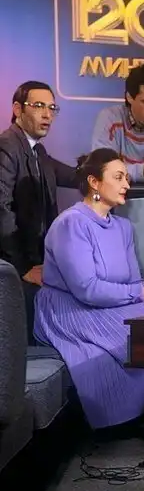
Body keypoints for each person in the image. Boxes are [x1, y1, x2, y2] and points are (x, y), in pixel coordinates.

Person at [34, 148, 144, 430]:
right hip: (70, 309)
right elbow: (87, 290)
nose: (127, 184)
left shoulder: (123, 227)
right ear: (94, 182)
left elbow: (134, 282)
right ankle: (143, 416)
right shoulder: (71, 223)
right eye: (118, 177)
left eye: (126, 177)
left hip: (109, 302)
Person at [0, 81, 77, 341]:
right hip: (12, 268)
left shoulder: (38, 151)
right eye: (39, 106)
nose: (47, 115)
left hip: (37, 262)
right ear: (17, 109)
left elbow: (72, 175)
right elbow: (1, 210)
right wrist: (22, 267)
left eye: (52, 108)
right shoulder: (6, 146)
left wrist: (111, 173)